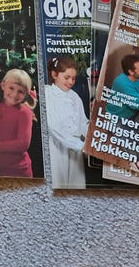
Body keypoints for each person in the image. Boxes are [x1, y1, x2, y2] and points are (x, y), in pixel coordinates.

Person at [0, 68, 35, 177]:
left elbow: (23, 144)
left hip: (18, 170)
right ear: (3, 85)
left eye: (20, 91)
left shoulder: (25, 113)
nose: (15, 94)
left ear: (26, 94)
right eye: (11, 88)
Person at [45, 57, 88, 189]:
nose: (70, 82)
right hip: (57, 148)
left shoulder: (74, 96)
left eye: (73, 78)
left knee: (76, 186)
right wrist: (80, 146)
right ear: (54, 74)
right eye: (67, 77)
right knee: (58, 184)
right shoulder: (47, 93)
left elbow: (82, 122)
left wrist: (93, 139)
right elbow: (54, 127)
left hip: (76, 148)